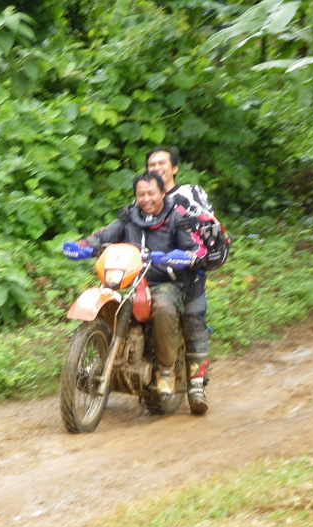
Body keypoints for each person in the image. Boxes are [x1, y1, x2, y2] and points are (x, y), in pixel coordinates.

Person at [63, 171, 207, 401]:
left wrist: (180, 256)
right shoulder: (128, 217)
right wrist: (83, 246)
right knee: (105, 302)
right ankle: (100, 353)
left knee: (164, 307)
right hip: (128, 280)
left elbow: (194, 249)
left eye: (151, 193)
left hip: (163, 282)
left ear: (162, 193)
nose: (146, 199)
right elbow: (103, 235)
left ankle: (166, 370)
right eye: (141, 194)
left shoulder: (177, 218)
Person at [145, 147, 226, 415]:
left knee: (193, 319)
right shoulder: (145, 198)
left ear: (174, 168)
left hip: (190, 270)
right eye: (152, 164)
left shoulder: (190, 194)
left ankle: (197, 387)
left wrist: (191, 254)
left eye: (162, 163)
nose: (157, 167)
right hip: (153, 272)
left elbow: (209, 226)